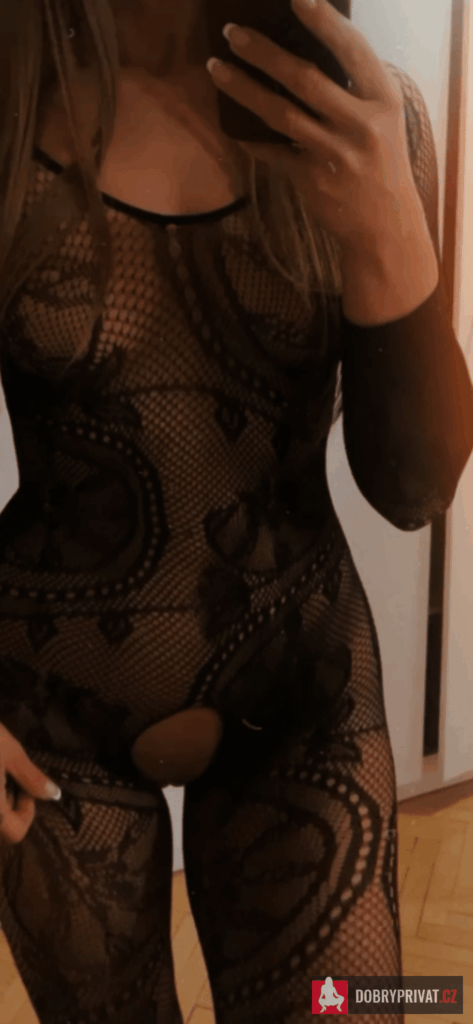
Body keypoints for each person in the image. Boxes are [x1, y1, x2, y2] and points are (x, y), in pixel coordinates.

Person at [0, 0, 471, 1022]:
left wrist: (389, 230)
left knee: (365, 1004)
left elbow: (415, 490)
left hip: (305, 694)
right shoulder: (10, 101)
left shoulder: (368, 121)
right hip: (45, 713)